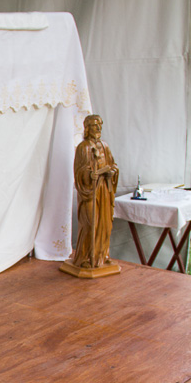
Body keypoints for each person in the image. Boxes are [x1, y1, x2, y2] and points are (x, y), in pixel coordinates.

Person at [72, 115, 119, 268]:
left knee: (104, 224)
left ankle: (102, 255)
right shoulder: (83, 147)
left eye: (99, 125)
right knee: (90, 223)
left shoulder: (105, 146)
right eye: (94, 125)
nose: (98, 128)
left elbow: (113, 164)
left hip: (104, 189)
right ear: (87, 128)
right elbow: (79, 171)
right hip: (90, 191)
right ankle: (84, 258)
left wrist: (112, 172)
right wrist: (88, 175)